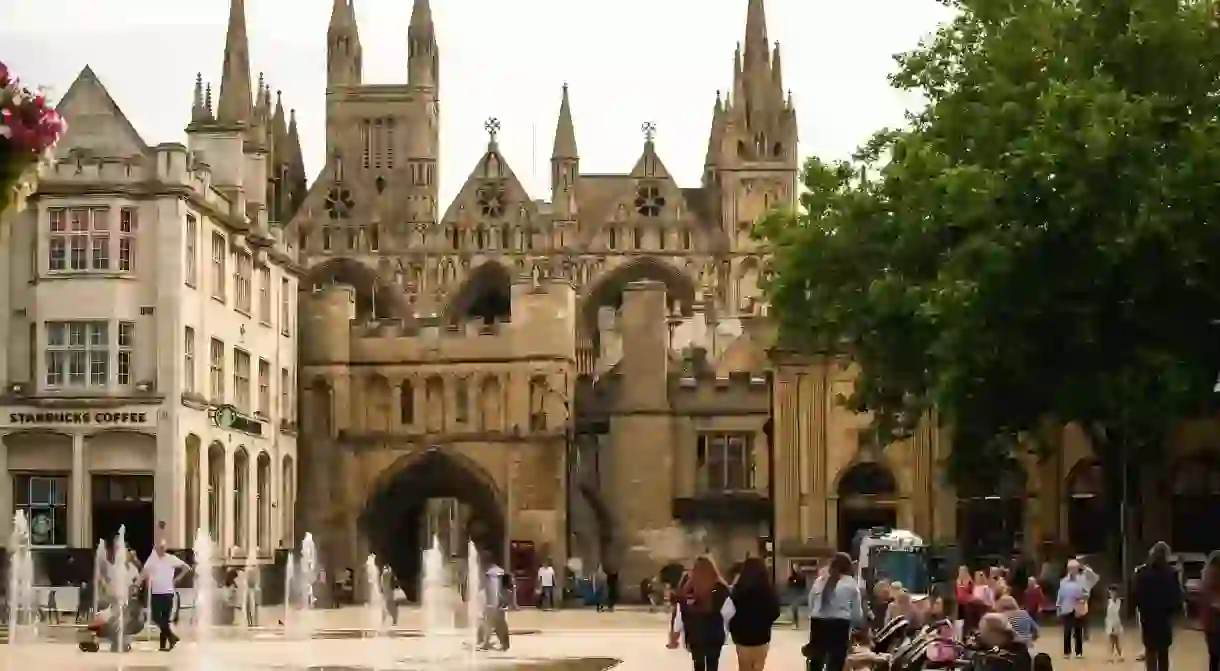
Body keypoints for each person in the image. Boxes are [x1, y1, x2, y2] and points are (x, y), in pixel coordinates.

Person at [803, 552, 865, 671]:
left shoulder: (820, 581)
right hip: (840, 623)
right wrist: (856, 624)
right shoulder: (851, 583)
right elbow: (857, 610)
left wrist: (814, 614)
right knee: (837, 658)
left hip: (819, 622)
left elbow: (811, 601)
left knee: (816, 656)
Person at [674, 555, 732, 671]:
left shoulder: (688, 588)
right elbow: (729, 612)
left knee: (698, 665)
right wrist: (726, 629)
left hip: (695, 634)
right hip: (715, 634)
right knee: (712, 665)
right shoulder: (720, 588)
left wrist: (677, 631)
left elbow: (681, 612)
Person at [1132, 541, 1183, 671]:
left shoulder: (1142, 572)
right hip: (1164, 618)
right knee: (1163, 652)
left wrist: (1141, 609)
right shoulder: (1171, 573)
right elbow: (1176, 597)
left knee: (1150, 651)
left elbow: (1136, 595)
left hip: (1147, 617)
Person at [727, 557, 780, 671]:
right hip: (762, 637)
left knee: (744, 667)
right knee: (758, 667)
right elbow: (775, 612)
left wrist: (734, 627)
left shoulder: (738, 590)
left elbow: (728, 611)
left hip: (742, 637)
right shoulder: (768, 590)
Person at [141, 541, 191, 651]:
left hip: (168, 592)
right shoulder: (152, 559)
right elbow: (144, 572)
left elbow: (186, 567)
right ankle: (172, 638)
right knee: (156, 617)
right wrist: (137, 583)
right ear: (155, 548)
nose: (161, 549)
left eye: (163, 547)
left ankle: (164, 645)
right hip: (155, 593)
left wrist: (178, 578)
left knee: (164, 619)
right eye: (159, 547)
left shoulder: (170, 558)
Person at [1056, 559, 1089, 659]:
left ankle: (1078, 652)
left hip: (1078, 608)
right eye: (1070, 568)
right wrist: (1058, 606)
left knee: (1078, 631)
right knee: (1067, 631)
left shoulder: (1082, 580)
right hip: (1066, 608)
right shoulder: (1063, 582)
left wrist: (1083, 597)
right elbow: (1060, 595)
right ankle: (1067, 652)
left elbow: (1087, 593)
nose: (1072, 570)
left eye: (1074, 568)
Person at [478, 555, 511, 651]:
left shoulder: (491, 574)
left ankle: (503, 644)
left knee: (497, 625)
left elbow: (492, 590)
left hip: (494, 604)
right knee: (491, 623)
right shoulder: (500, 572)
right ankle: (487, 642)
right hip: (497, 604)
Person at [1201, 550, 1220, 671]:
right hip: (1215, 621)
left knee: (1213, 656)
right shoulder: (1214, 576)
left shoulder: (1206, 576)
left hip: (1209, 623)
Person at [1104, 584, 1124, 662]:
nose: (1112, 593)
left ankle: (1120, 655)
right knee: (1112, 641)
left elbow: (1116, 612)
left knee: (1116, 641)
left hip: (1115, 623)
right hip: (1110, 622)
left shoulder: (1118, 601)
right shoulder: (1109, 601)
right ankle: (1113, 656)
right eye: (1111, 591)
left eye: (1113, 591)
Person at [786, 564, 808, 628]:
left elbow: (803, 584)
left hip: (798, 593)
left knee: (795, 607)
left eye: (796, 567)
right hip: (793, 593)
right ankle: (795, 622)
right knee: (794, 608)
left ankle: (796, 622)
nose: (795, 569)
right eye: (794, 567)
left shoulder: (801, 576)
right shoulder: (791, 577)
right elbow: (789, 584)